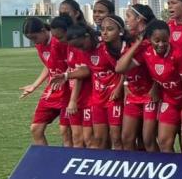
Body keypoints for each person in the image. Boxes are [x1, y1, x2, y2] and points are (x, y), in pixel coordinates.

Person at [116, 20, 182, 153]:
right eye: (157, 40)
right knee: (164, 141)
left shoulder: (178, 55)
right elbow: (120, 68)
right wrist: (137, 44)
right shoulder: (146, 52)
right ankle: (170, 166)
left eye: (165, 40)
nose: (161, 44)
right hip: (169, 100)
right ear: (149, 39)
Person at [60, 20, 125, 150]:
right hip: (97, 99)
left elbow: (122, 69)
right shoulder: (85, 51)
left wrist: (118, 88)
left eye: (81, 45)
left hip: (113, 98)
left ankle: (121, 162)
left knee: (116, 138)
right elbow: (86, 70)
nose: (81, 49)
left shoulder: (106, 47)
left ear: (87, 36)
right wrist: (66, 75)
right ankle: (103, 162)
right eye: (77, 47)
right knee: (99, 139)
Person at [20, 17, 72, 147]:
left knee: (65, 131)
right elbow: (49, 66)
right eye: (30, 39)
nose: (34, 42)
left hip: (68, 89)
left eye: (34, 37)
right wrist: (34, 85)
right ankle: (45, 158)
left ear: (43, 30)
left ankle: (67, 159)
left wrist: (66, 76)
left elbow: (74, 62)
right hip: (52, 90)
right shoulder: (39, 45)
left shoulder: (59, 41)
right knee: (36, 129)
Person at [121, 4, 159, 152]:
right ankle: (132, 165)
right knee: (127, 138)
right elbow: (122, 68)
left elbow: (160, 66)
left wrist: (155, 87)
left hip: (149, 95)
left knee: (148, 139)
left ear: (140, 19)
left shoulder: (152, 41)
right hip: (133, 94)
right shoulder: (130, 40)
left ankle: (157, 165)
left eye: (129, 16)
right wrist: (125, 84)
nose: (126, 20)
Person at [51, 15, 91, 148]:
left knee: (88, 139)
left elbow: (82, 73)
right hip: (75, 97)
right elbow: (73, 68)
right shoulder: (69, 47)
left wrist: (73, 100)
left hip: (86, 97)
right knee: (76, 137)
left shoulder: (79, 47)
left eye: (60, 37)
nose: (59, 41)